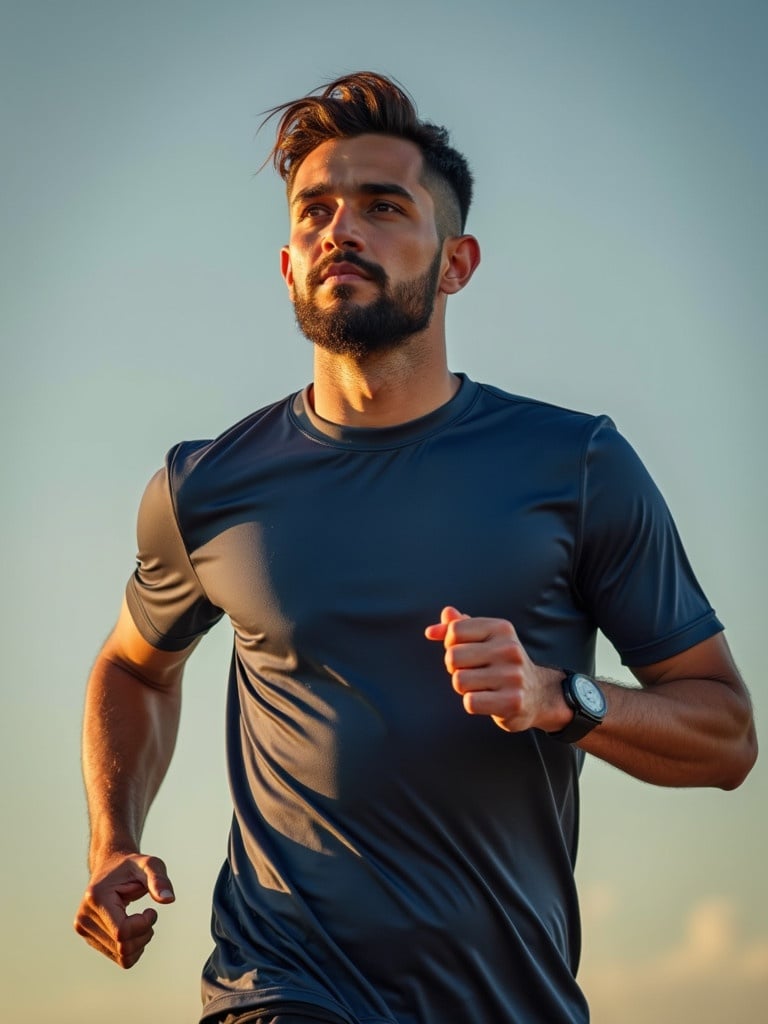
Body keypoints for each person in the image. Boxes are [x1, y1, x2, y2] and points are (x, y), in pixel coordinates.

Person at [74, 72, 757, 1024]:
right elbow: (135, 668)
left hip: (509, 999)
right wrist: (112, 838)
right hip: (278, 986)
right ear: (287, 263)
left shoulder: (578, 463)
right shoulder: (205, 485)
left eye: (384, 207)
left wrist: (560, 699)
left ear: (457, 262)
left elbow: (727, 737)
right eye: (315, 210)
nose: (340, 230)